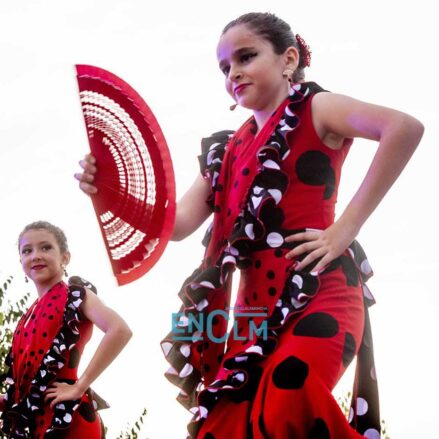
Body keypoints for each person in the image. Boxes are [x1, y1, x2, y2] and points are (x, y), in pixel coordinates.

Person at [75, 12, 423, 439]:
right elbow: (178, 224)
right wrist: (108, 191)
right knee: (226, 427)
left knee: (289, 397)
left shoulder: (318, 107)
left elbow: (403, 128)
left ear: (288, 58)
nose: (233, 72)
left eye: (245, 56)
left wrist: (345, 229)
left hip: (320, 288)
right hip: (253, 313)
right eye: (224, 67)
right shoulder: (227, 150)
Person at [0, 221, 132, 438]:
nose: (35, 255)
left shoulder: (75, 294)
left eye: (46, 247)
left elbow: (120, 330)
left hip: (68, 421)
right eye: (27, 250)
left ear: (65, 258)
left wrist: (79, 387)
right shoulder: (24, 319)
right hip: (36, 427)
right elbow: (25, 390)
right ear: (21, 261)